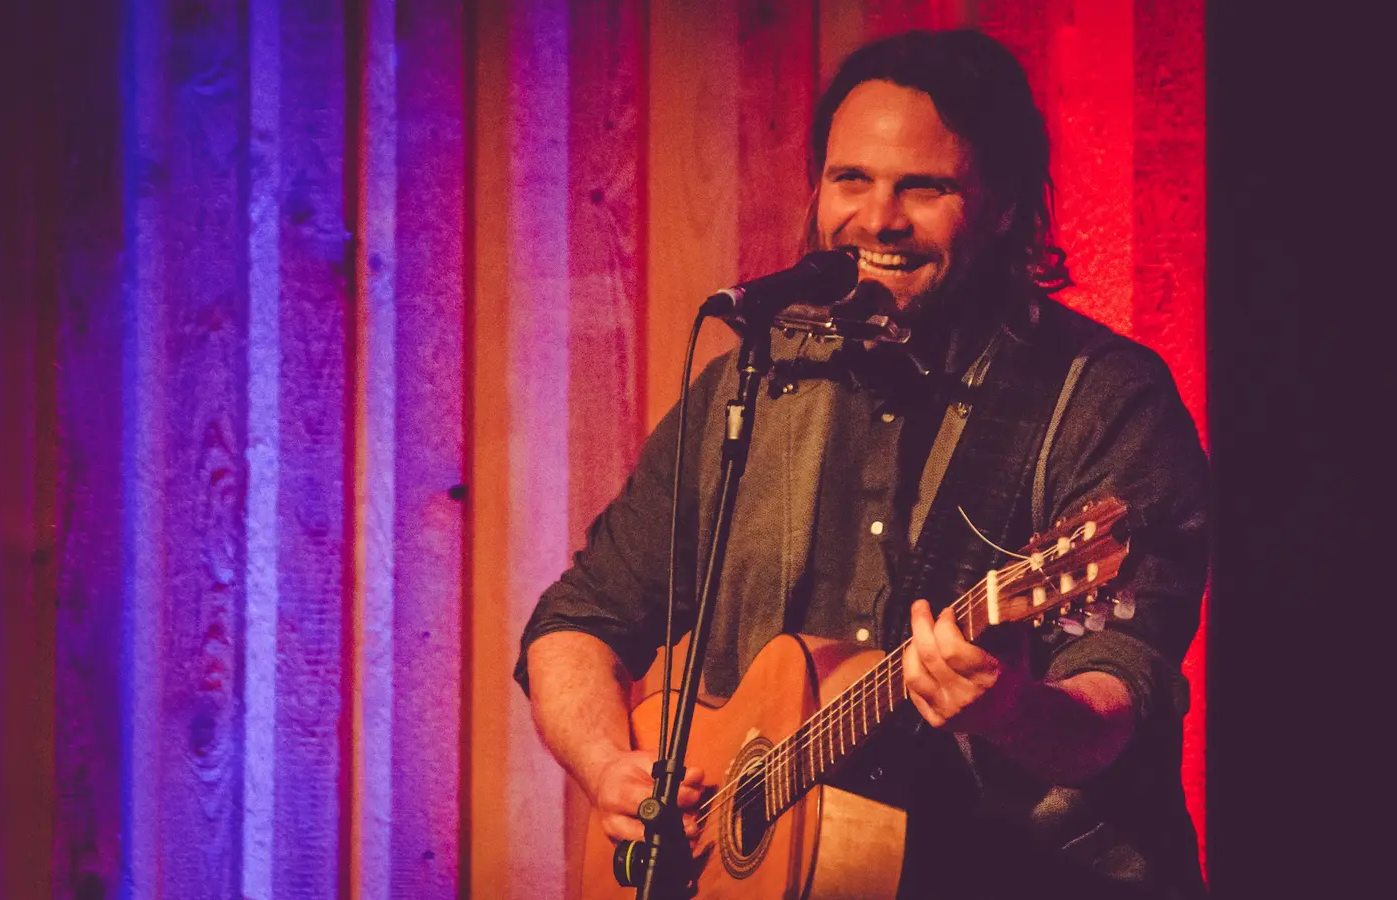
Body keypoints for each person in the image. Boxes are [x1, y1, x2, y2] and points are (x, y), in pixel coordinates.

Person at [515, 28, 1209, 899]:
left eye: (924, 187)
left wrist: (1009, 710)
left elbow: (1114, 698)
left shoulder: (1103, 398)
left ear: (1002, 204)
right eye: (851, 180)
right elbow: (577, 622)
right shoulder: (756, 381)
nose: (877, 219)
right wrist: (608, 767)